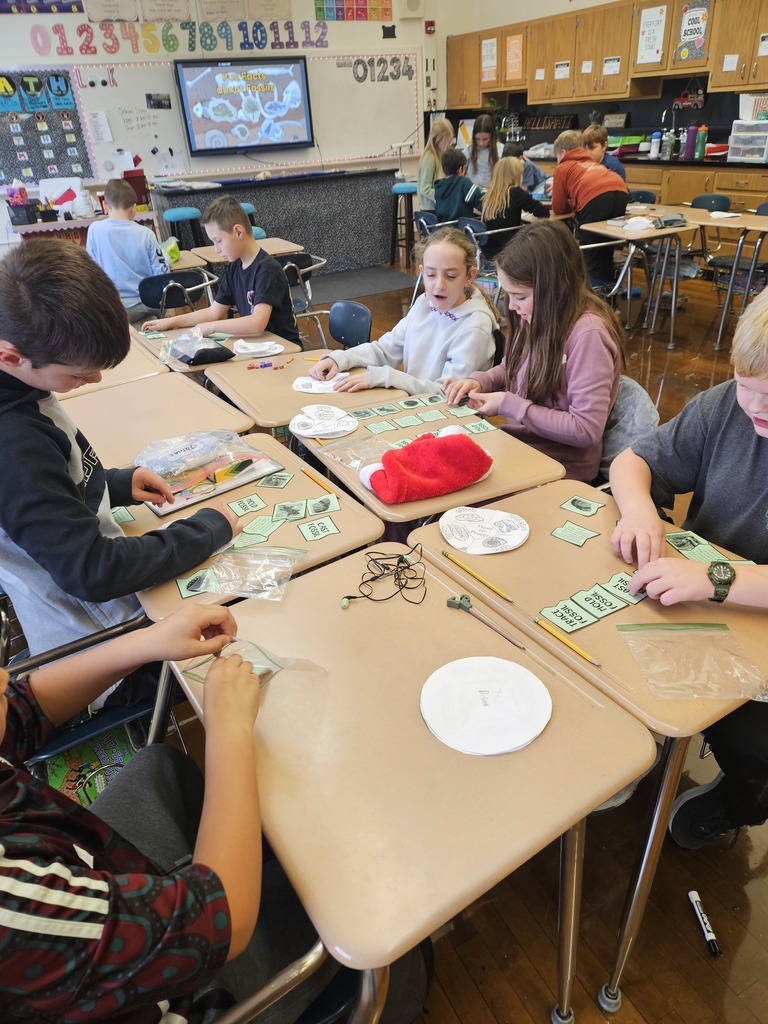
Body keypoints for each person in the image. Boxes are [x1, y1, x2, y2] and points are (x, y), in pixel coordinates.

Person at [0, 602, 433, 1023]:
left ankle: (236, 857)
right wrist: (227, 727)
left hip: (86, 872)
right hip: (174, 997)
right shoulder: (13, 909)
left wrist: (149, 641)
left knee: (160, 766)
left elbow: (24, 709)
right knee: (366, 911)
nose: (4, 676)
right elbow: (221, 916)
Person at [0, 239, 243, 707]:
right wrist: (205, 532)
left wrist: (113, 483)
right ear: (12, 356)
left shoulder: (23, 381)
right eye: (78, 375)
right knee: (248, 623)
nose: (93, 382)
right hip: (101, 648)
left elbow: (50, 490)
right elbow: (92, 571)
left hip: (106, 611)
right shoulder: (13, 445)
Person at [609, 287, 768, 850]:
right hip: (693, 603)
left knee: (756, 745)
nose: (756, 410)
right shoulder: (727, 404)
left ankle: (742, 799)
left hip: (743, 618)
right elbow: (634, 460)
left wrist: (716, 580)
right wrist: (640, 510)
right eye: (750, 389)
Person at [444, 219, 623, 482]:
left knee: (447, 483)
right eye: (509, 295)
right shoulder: (537, 314)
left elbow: (585, 429)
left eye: (520, 296)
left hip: (559, 467)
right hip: (521, 448)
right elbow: (512, 368)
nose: (512, 306)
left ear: (557, 286)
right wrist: (478, 381)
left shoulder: (589, 336)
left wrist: (510, 404)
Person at [309, 227, 497, 396]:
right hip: (414, 406)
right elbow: (385, 350)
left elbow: (445, 394)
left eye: (451, 276)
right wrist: (340, 359)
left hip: (448, 418)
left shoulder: (475, 325)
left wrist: (386, 377)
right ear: (422, 272)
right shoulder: (424, 303)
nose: (439, 285)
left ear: (469, 276)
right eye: (431, 275)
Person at [142, 195, 300, 344]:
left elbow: (257, 323)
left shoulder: (267, 270)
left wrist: (211, 327)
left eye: (218, 241)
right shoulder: (234, 267)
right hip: (257, 346)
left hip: (284, 349)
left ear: (239, 232)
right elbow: (214, 312)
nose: (216, 249)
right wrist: (170, 322)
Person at [551, 129, 628, 289]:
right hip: (620, 191)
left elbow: (558, 207)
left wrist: (572, 203)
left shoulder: (563, 167)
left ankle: (593, 300)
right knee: (605, 249)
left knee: (590, 253)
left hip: (595, 197)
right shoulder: (592, 162)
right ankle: (609, 299)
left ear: (563, 152)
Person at [86, 177, 169, 324]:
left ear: (104, 205)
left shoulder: (94, 230)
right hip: (146, 306)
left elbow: (91, 272)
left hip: (113, 309)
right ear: (134, 207)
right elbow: (162, 275)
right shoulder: (146, 234)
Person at [480, 156, 549, 259]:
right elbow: (543, 213)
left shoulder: (489, 194)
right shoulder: (516, 193)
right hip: (508, 248)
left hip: (488, 250)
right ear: (516, 175)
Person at [434, 148, 486, 223]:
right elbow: (480, 201)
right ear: (461, 169)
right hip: (462, 230)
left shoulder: (439, 186)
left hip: (444, 230)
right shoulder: (463, 182)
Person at [417, 117, 454, 213]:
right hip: (429, 211)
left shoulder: (440, 155)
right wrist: (443, 197)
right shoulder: (429, 158)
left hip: (437, 208)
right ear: (437, 140)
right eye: (447, 141)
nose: (449, 145)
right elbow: (425, 189)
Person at [463, 113, 503, 188]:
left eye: (485, 139)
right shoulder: (468, 150)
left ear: (492, 136)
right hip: (472, 192)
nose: (481, 143)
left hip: (492, 192)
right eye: (478, 139)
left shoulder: (501, 149)